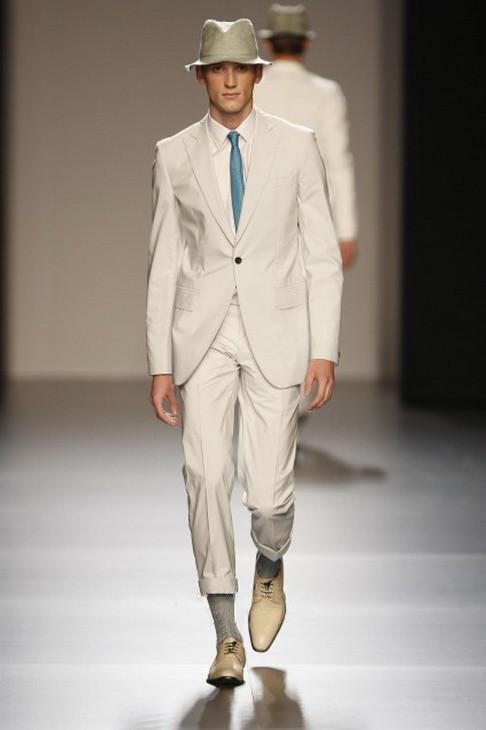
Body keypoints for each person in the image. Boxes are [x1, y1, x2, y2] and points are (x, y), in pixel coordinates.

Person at [145, 17, 343, 687]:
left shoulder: (298, 146)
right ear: (202, 76)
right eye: (218, 68)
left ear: (256, 74)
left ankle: (271, 562)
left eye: (240, 68)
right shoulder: (173, 153)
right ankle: (225, 634)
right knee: (205, 477)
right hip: (201, 335)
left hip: (277, 333)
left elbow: (321, 254)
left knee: (267, 495)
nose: (229, 80)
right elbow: (162, 263)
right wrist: (160, 362)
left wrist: (325, 348)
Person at [254, 3, 358, 427]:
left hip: (257, 211)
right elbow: (338, 161)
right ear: (307, 43)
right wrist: (346, 230)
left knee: (258, 300)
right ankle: (288, 399)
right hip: (312, 211)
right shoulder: (326, 92)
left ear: (267, 43)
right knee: (304, 304)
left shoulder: (254, 85)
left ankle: (265, 397)